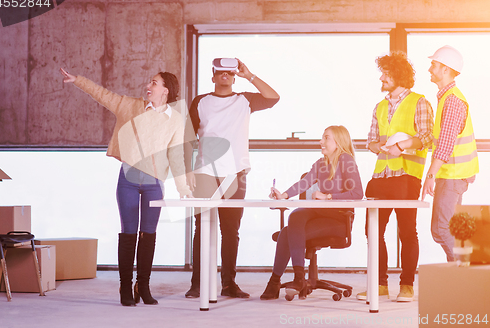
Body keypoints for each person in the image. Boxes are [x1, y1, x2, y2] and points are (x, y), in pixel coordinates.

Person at [60, 68, 192, 306]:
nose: (148, 85)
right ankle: (125, 287)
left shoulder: (175, 120)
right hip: (128, 183)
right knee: (128, 234)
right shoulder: (130, 106)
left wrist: (183, 187)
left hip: (154, 185)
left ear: (166, 90)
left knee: (148, 235)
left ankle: (143, 285)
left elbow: (176, 156)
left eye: (154, 82)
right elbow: (102, 94)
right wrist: (78, 80)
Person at [184, 58, 280, 299]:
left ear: (234, 76)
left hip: (235, 173)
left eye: (229, 72)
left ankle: (229, 284)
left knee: (230, 231)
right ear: (213, 76)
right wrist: (186, 171)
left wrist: (250, 75)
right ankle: (198, 284)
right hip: (205, 172)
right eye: (220, 72)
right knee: (202, 229)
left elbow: (273, 97)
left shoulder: (244, 100)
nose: (225, 76)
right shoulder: (200, 102)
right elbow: (186, 138)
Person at [357, 51, 434, 303]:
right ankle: (379, 284)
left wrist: (401, 145)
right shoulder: (379, 106)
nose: (381, 77)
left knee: (407, 232)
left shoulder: (419, 102)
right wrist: (377, 146)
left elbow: (426, 138)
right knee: (373, 230)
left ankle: (407, 285)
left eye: (386, 74)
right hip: (381, 175)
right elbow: (370, 140)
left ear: (398, 75)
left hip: (406, 175)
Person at [260, 125, 363, 301]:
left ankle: (277, 282)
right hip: (320, 214)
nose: (320, 141)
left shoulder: (346, 160)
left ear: (338, 142)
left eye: (326, 138)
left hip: (338, 218)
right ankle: (296, 279)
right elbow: (304, 183)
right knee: (295, 216)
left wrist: (328, 196)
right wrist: (282, 196)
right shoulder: (321, 163)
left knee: (287, 232)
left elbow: (358, 194)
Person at [422, 45, 479, 261]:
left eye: (434, 64)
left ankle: (465, 272)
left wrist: (430, 176)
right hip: (453, 174)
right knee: (451, 229)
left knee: (440, 229)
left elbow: (445, 145)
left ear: (445, 69)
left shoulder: (453, 100)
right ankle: (460, 276)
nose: (430, 68)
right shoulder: (447, 97)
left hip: (453, 175)